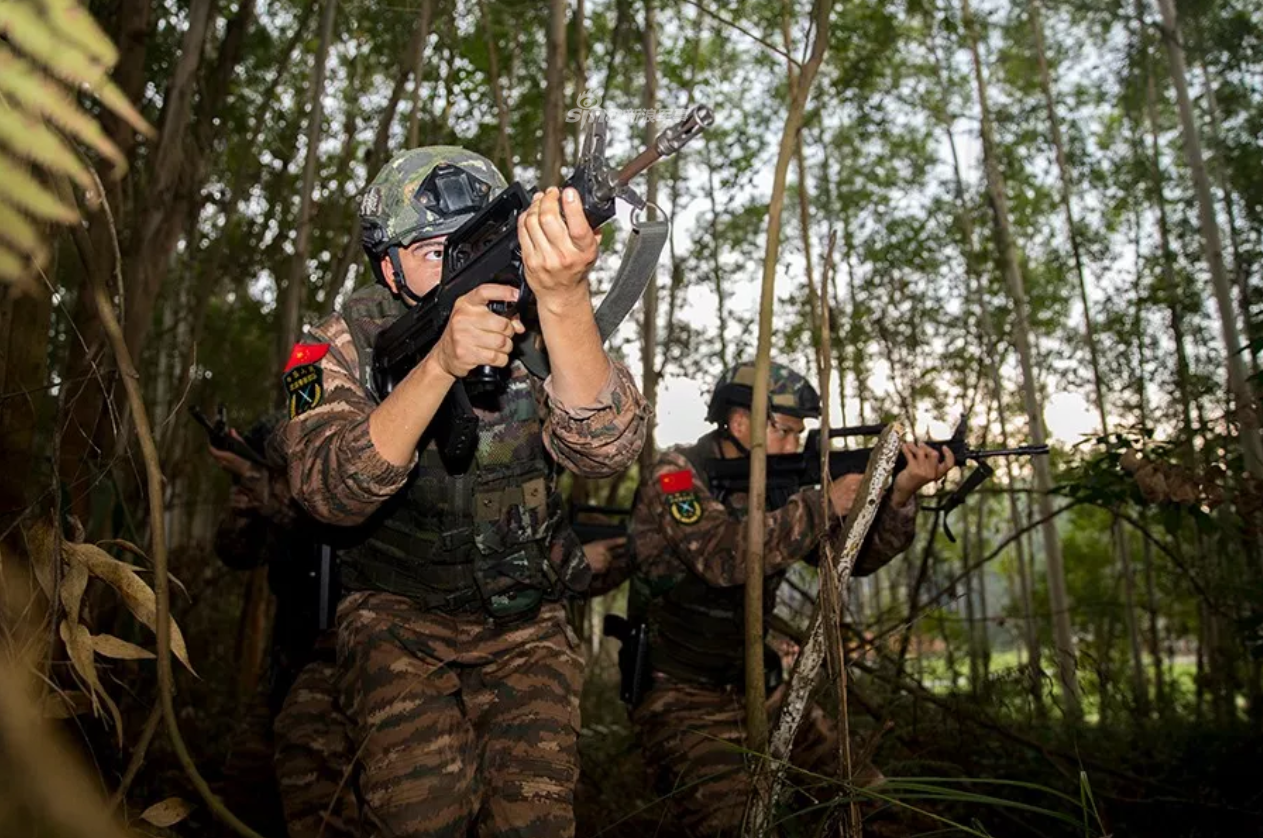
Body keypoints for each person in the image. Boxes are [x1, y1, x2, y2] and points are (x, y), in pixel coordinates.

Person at [279, 146, 649, 838]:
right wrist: (441, 365)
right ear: (387, 265)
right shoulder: (335, 347)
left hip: (526, 625)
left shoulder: (541, 326)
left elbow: (609, 449)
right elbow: (327, 490)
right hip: (396, 624)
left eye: (471, 245)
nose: (455, 266)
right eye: (429, 250)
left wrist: (565, 299)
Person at [623, 361, 954, 836]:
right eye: (786, 431)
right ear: (741, 424)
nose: (795, 444)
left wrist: (898, 495)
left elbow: (849, 559)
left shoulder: (783, 484)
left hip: (763, 682)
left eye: (801, 433)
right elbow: (721, 560)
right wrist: (824, 503)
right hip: (682, 695)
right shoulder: (675, 476)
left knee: (871, 805)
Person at [207, 416, 357, 838]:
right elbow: (235, 550)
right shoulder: (270, 483)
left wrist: (253, 476)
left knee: (320, 800)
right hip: (287, 662)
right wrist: (247, 488)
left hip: (341, 664)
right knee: (246, 790)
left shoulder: (336, 467)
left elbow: (320, 514)